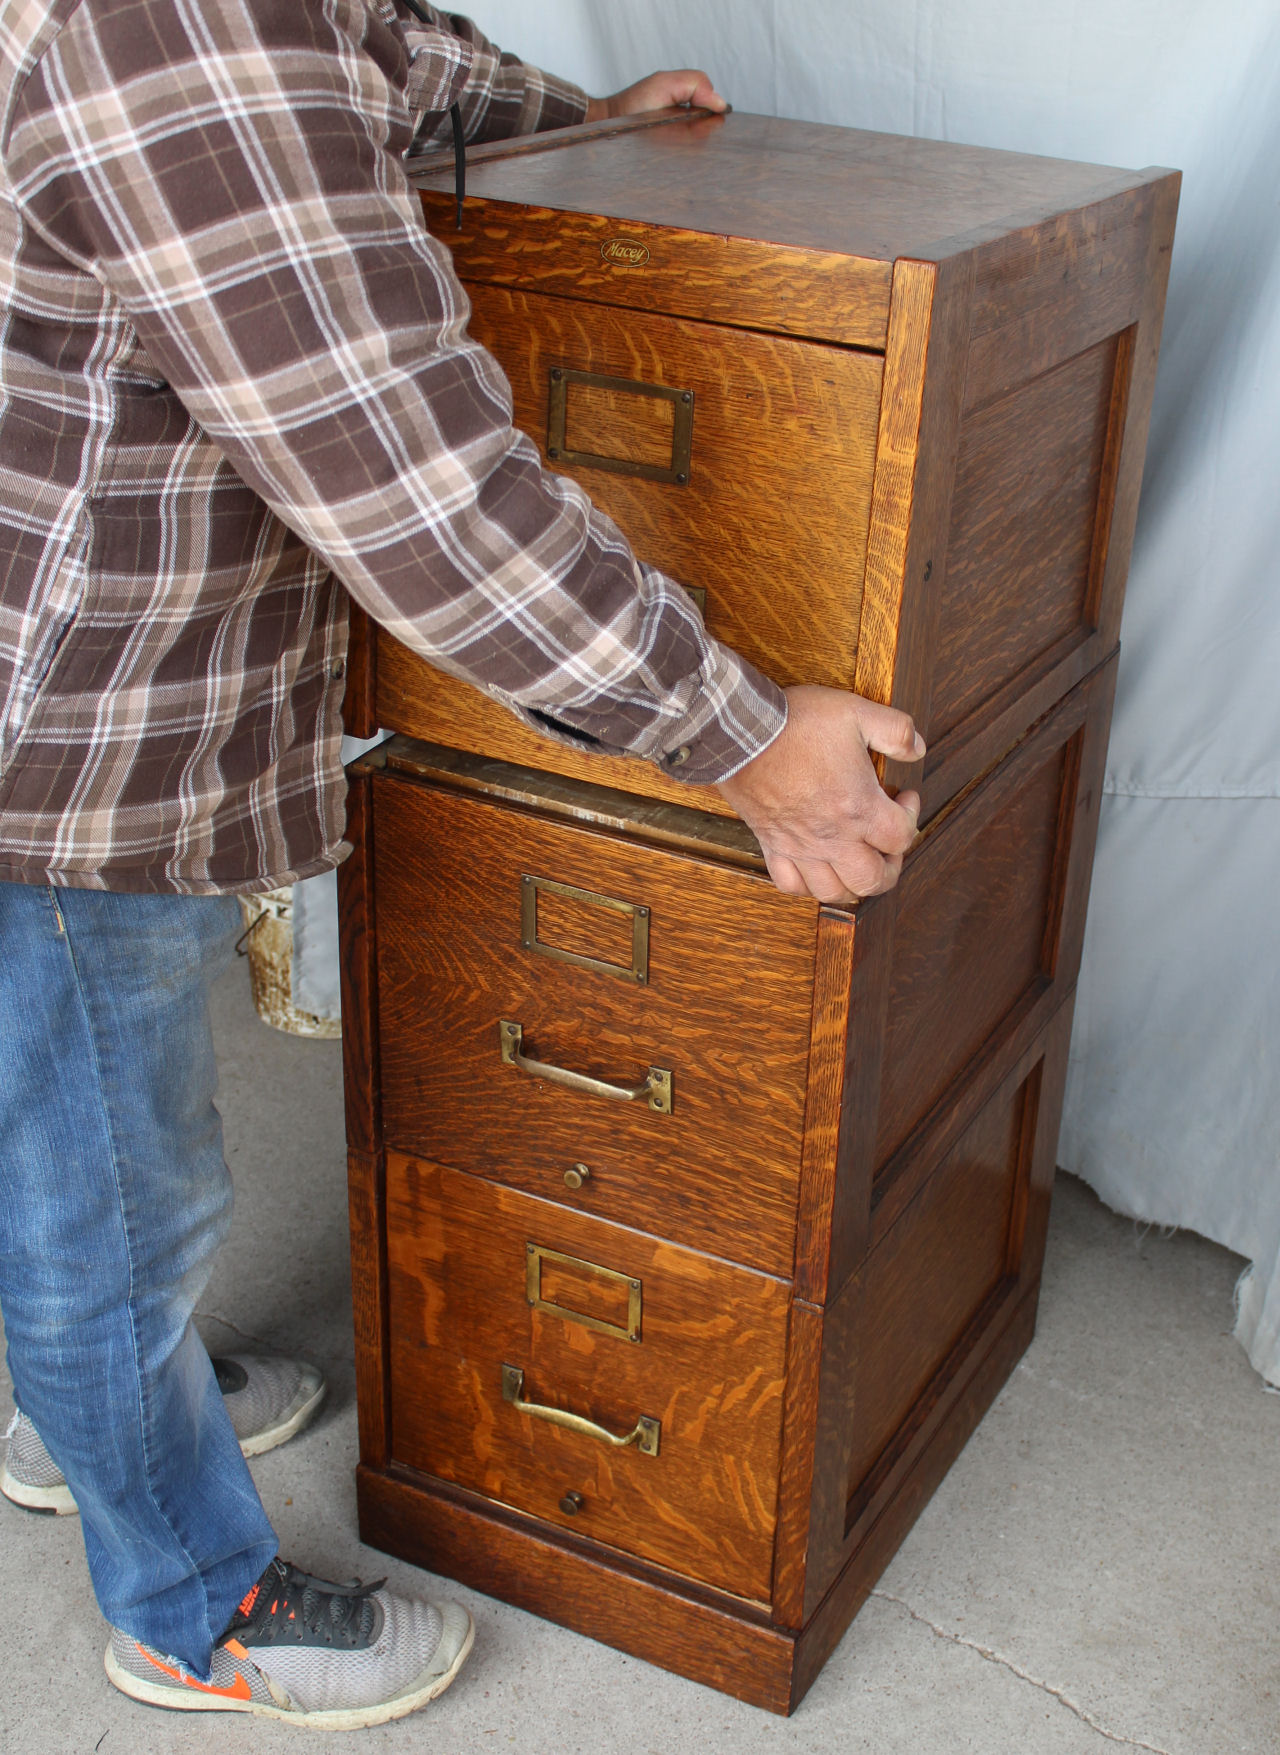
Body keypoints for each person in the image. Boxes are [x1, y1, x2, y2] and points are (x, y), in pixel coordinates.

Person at [0, 0, 923, 1731]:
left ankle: (101, 1400)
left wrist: (578, 119)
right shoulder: (169, 25)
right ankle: (193, 1601)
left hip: (85, 657)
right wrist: (730, 733)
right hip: (58, 732)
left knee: (71, 1124)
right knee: (112, 1199)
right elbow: (417, 485)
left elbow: (383, 48)